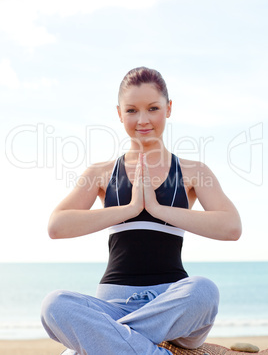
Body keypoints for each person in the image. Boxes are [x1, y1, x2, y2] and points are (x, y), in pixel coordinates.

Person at [41, 67, 242, 355]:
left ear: (169, 109)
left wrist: (157, 208)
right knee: (54, 304)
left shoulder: (193, 171)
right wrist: (131, 208)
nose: (143, 120)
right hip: (112, 303)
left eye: (153, 108)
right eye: (132, 110)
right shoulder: (101, 172)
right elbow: (57, 225)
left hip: (172, 304)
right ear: (120, 113)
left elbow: (231, 227)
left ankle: (109, 339)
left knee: (204, 290)